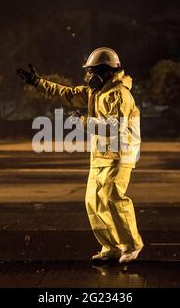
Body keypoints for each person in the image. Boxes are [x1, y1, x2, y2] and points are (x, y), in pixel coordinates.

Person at [17, 47, 143, 263]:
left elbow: (113, 129)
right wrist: (38, 83)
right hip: (101, 155)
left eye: (92, 71)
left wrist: (82, 121)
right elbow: (67, 93)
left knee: (113, 199)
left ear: (106, 71)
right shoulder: (97, 92)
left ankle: (132, 245)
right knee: (93, 202)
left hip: (120, 155)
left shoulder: (119, 95)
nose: (88, 76)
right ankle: (110, 247)